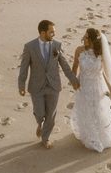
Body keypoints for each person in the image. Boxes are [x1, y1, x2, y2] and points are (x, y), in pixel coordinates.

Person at [18, 19, 80, 149]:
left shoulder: (57, 45)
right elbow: (24, 67)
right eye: (51, 32)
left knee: (51, 114)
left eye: (54, 32)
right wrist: (21, 85)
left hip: (53, 86)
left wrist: (74, 80)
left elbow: (65, 65)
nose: (54, 35)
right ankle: (40, 123)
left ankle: (45, 138)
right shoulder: (29, 47)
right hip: (36, 86)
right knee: (40, 112)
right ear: (42, 32)